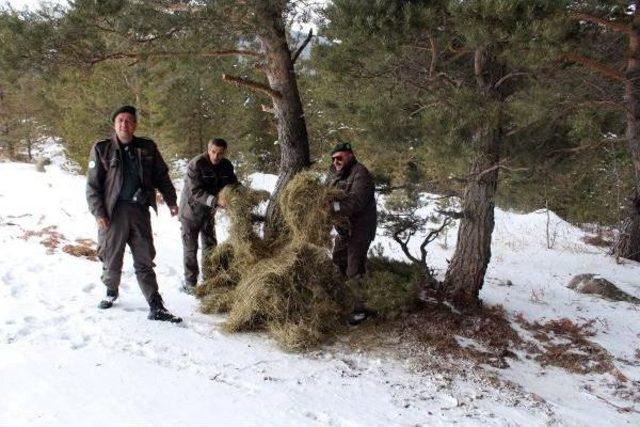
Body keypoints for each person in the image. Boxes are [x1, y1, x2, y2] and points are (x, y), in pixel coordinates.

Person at [86, 105, 182, 323]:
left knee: (144, 258)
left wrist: (171, 201)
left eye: (129, 120)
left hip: (139, 211)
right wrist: (98, 212)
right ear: (114, 124)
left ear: (135, 125)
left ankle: (155, 304)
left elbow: (162, 176)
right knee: (111, 256)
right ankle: (111, 290)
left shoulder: (147, 148)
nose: (124, 124)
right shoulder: (102, 148)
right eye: (120, 120)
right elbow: (92, 186)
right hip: (113, 213)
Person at [327, 142, 378, 325]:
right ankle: (345, 301)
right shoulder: (336, 173)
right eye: (333, 159)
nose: (335, 162)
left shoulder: (360, 173)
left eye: (339, 157)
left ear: (350, 155)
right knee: (338, 261)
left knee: (354, 269)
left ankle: (359, 311)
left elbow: (355, 202)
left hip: (361, 229)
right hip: (344, 228)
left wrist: (331, 207)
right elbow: (327, 193)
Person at [179, 138, 238, 293]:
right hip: (190, 213)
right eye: (213, 152)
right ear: (208, 149)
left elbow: (233, 185)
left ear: (224, 152)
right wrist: (217, 201)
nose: (216, 156)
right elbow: (195, 191)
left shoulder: (226, 165)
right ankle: (190, 283)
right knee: (191, 248)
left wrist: (245, 195)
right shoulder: (196, 164)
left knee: (210, 246)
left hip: (209, 213)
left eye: (220, 153)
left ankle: (210, 277)